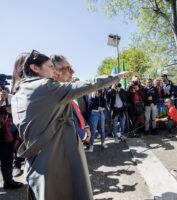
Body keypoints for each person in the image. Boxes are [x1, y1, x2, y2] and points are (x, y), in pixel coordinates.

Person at [11, 50, 131, 199]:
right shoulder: (45, 86)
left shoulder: (18, 93)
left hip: (38, 164)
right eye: (50, 66)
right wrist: (115, 77)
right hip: (57, 162)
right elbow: (86, 85)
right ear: (35, 68)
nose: (54, 71)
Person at [50, 54, 91, 145]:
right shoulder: (54, 95)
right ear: (55, 72)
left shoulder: (67, 92)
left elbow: (76, 112)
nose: (73, 71)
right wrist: (83, 134)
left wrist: (86, 125)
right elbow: (64, 123)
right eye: (68, 68)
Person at [0, 87, 23, 189]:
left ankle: (8, 182)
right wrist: (1, 101)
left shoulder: (11, 98)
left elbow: (21, 112)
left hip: (7, 133)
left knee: (7, 159)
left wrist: (11, 111)